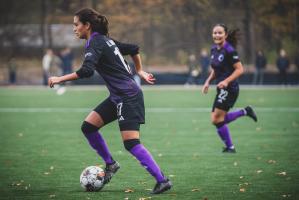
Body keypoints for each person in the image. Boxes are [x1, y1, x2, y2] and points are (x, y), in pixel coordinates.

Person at [48, 8, 172, 194]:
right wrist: (139, 70)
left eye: (76, 25)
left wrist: (60, 79)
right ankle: (111, 164)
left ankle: (162, 180)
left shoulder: (96, 42)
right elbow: (134, 49)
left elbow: (87, 71)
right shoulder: (105, 40)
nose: (74, 29)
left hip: (128, 97)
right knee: (88, 127)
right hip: (118, 97)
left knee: (131, 143)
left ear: (87, 25)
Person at [201, 24, 258, 153]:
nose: (217, 35)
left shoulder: (229, 50)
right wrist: (207, 82)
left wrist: (226, 81)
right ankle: (230, 146)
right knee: (216, 119)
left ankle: (231, 146)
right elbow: (216, 70)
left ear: (225, 35)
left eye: (220, 33)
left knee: (216, 119)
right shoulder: (214, 49)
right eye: (215, 33)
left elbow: (240, 69)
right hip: (221, 88)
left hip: (230, 88)